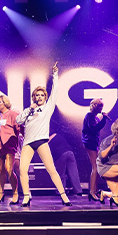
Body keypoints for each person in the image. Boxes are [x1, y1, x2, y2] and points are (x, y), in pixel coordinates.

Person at [16, 62, 72, 207]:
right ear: (34, 97)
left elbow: (55, 92)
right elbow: (18, 120)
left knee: (51, 169)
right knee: (23, 169)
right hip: (28, 142)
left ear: (45, 97)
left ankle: (64, 196)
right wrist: (30, 109)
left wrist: (55, 75)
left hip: (41, 141)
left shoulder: (47, 108)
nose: (40, 97)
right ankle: (27, 196)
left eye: (42, 95)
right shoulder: (30, 109)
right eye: (37, 95)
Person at [0, 96, 22, 204]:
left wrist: (15, 139)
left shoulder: (12, 114)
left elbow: (18, 128)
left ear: (5, 103)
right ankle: (0, 193)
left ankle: (15, 193)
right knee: (0, 170)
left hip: (9, 146)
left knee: (9, 169)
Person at [83, 98, 110, 200]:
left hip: (94, 143)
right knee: (95, 167)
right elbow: (93, 128)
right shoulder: (89, 116)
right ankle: (92, 192)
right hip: (89, 143)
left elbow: (97, 128)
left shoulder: (95, 118)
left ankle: (94, 190)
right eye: (100, 106)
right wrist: (104, 119)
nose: (101, 108)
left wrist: (103, 120)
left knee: (97, 167)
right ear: (95, 106)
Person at [48, 131, 83, 196]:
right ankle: (78, 190)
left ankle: (60, 191)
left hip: (61, 154)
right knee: (74, 173)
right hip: (70, 153)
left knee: (60, 174)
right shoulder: (58, 135)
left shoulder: (48, 140)